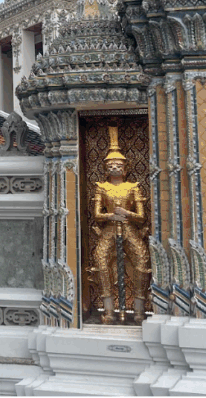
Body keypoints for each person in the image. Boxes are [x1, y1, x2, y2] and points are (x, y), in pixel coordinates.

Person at [90, 127, 150, 324]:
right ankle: (109, 310)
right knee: (101, 263)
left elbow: (141, 217)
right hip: (108, 230)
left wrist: (126, 214)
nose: (115, 167)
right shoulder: (101, 187)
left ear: (125, 167)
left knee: (141, 264)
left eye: (118, 164)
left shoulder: (133, 187)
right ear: (106, 168)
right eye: (111, 164)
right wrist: (110, 216)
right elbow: (97, 215)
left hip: (130, 229)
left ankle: (139, 310)